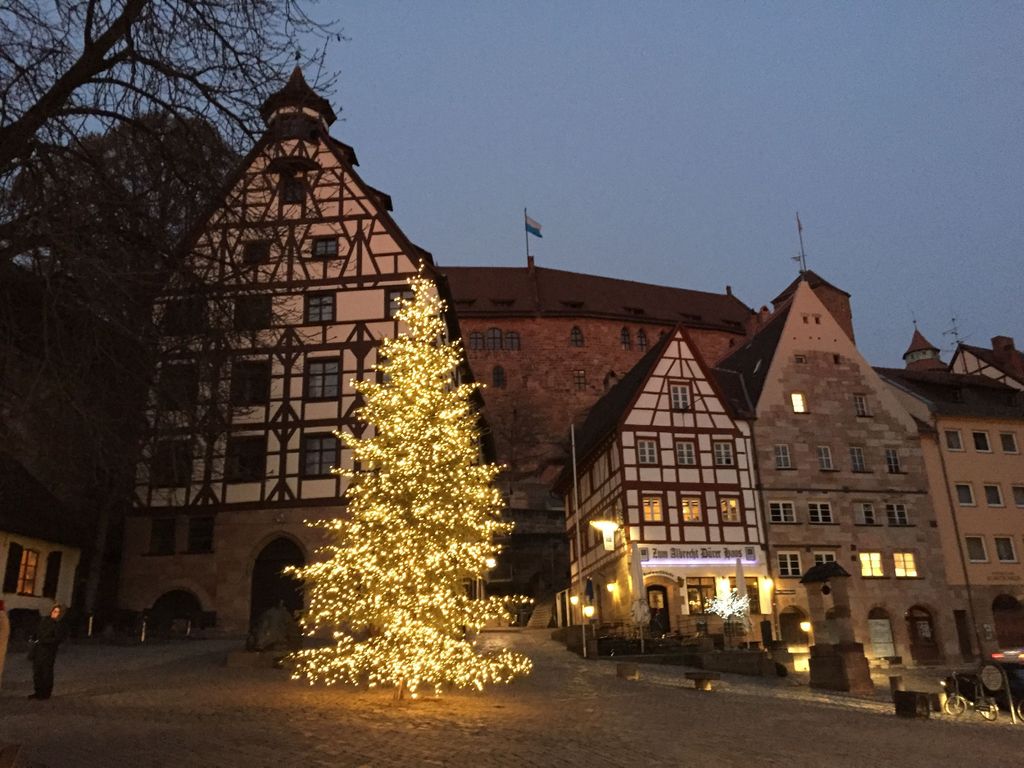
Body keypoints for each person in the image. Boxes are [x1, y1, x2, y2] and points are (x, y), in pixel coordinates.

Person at [29, 604, 67, 700]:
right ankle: (37, 691)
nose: (55, 613)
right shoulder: (45, 620)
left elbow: (57, 639)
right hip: (38, 650)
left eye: (57, 612)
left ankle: (45, 693)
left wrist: (44, 640)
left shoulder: (59, 625)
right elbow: (37, 631)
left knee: (46, 673)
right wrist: (33, 638)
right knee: (37, 672)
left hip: (48, 652)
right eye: (54, 611)